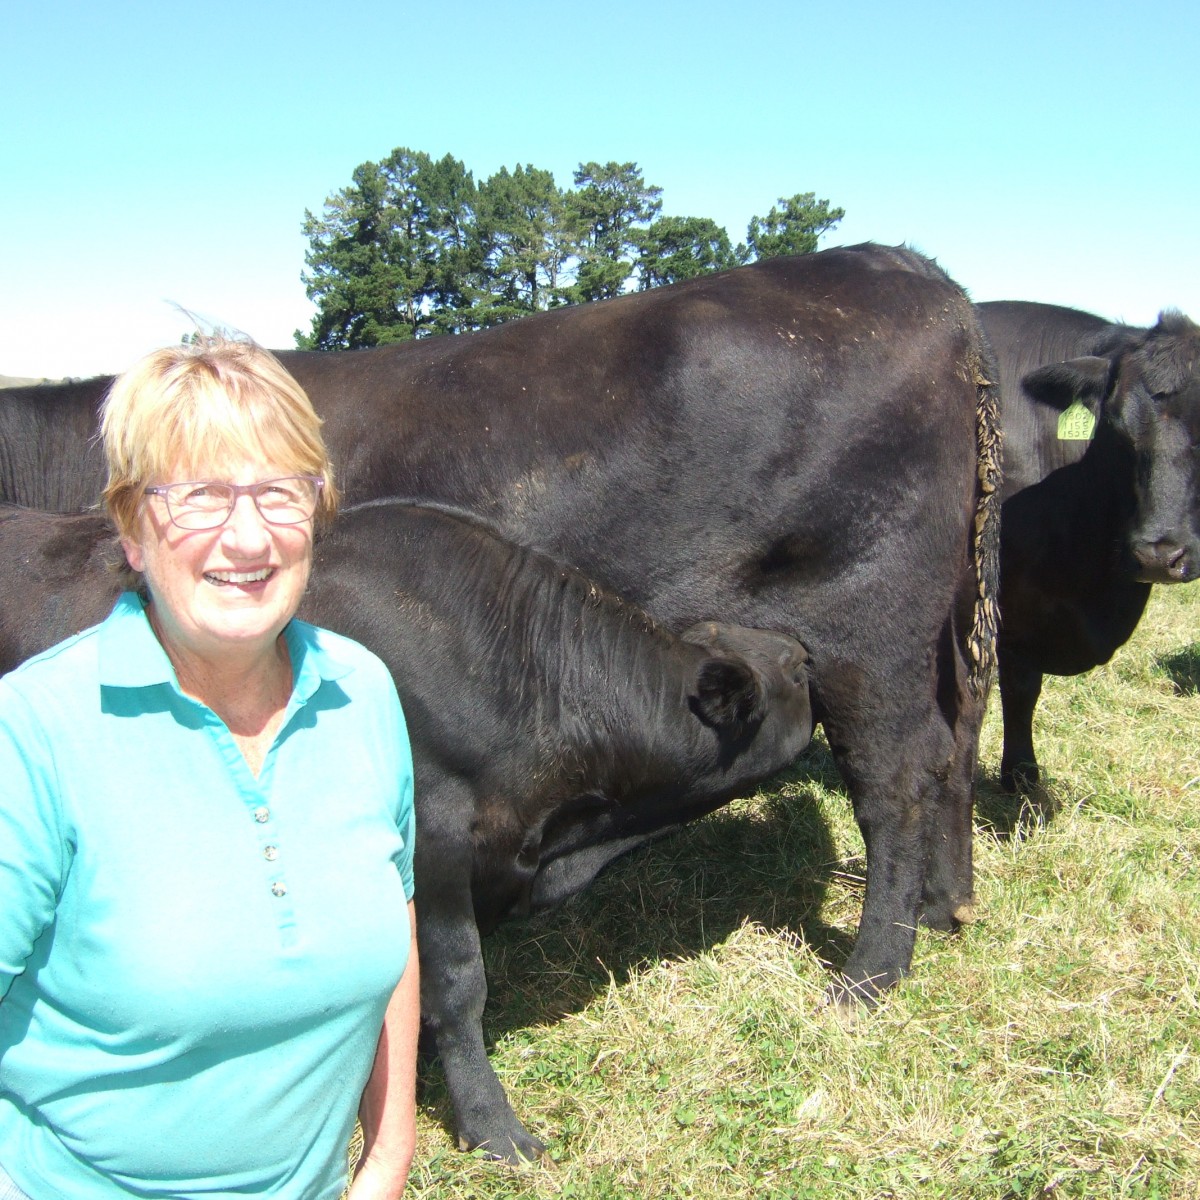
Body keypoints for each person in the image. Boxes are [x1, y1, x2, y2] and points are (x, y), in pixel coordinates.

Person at [0, 337, 419, 1199]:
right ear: (129, 529)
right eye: (198, 496)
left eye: (280, 490)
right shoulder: (35, 731)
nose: (247, 533)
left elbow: (395, 922)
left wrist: (388, 1155)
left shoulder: (361, 692)